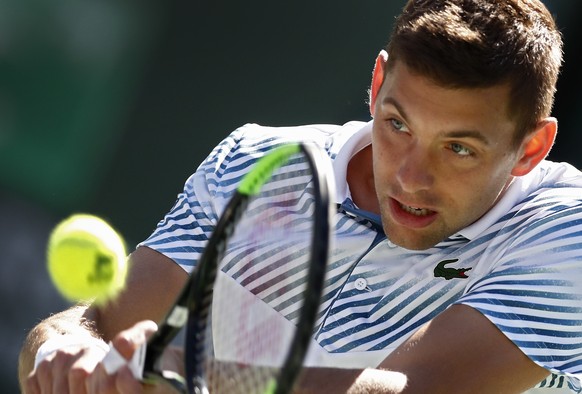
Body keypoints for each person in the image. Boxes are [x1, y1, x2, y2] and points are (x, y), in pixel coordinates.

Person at [19, 0, 582, 392]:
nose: (411, 177)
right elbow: (105, 329)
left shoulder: (565, 232)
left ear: (532, 147)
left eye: (459, 149)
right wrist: (63, 351)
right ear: (377, 83)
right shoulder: (254, 162)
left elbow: (422, 389)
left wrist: (188, 376)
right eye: (398, 124)